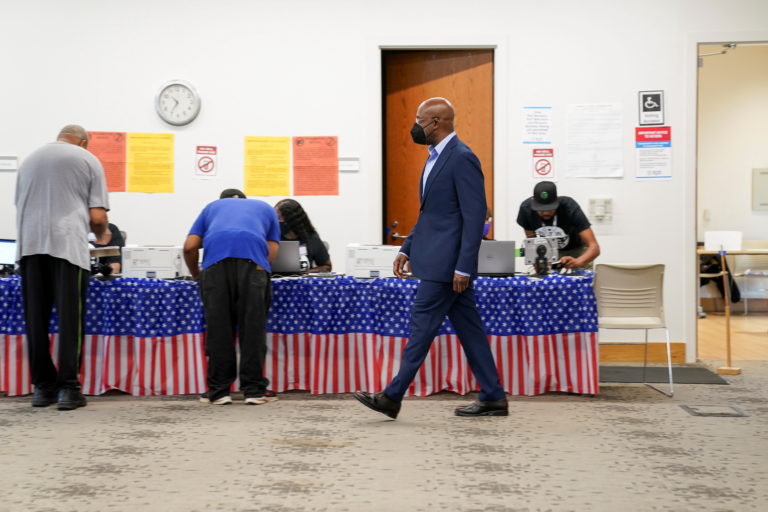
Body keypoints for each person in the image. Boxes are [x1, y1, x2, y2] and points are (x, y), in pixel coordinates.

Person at [353, 97, 508, 419]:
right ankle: (493, 396)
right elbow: (432, 215)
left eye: (419, 119)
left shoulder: (462, 157)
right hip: (440, 262)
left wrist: (464, 266)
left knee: (421, 330)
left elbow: (474, 214)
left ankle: (392, 396)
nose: (415, 125)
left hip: (447, 268)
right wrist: (407, 246)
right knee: (470, 331)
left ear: (436, 122)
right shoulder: (434, 158)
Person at [15, 124, 109, 410]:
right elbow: (96, 216)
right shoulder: (87, 160)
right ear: (83, 142)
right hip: (67, 247)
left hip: (30, 247)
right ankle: (68, 390)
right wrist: (102, 234)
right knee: (70, 321)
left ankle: (42, 389)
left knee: (36, 320)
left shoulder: (29, 160)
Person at [183, 188, 281, 406]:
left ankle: (219, 392)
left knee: (219, 329)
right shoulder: (265, 208)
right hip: (253, 266)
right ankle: (254, 391)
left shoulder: (211, 207)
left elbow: (190, 247)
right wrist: (260, 268)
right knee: (253, 329)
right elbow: (272, 249)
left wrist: (197, 275)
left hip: (215, 268)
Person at [516, 181, 600, 270]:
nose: (546, 212)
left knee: (582, 281)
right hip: (550, 252)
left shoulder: (570, 207)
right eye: (540, 209)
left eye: (550, 208)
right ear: (533, 201)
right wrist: (537, 261)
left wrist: (578, 261)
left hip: (577, 251)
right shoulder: (526, 209)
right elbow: (531, 243)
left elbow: (594, 247)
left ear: (558, 200)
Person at [274, 198, 332, 273]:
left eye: (280, 218)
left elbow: (327, 267)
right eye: (275, 218)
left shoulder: (311, 238)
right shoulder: (271, 238)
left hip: (302, 282)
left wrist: (306, 272)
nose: (277, 221)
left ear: (293, 220)